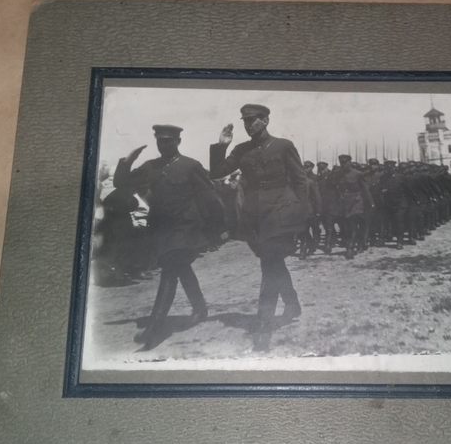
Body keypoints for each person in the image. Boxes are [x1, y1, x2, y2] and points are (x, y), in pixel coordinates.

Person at [113, 124, 225, 350]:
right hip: (162, 229)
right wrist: (127, 161)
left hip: (186, 227)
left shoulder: (190, 166)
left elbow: (211, 198)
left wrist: (220, 228)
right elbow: (120, 184)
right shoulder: (150, 167)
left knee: (170, 270)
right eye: (160, 141)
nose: (164, 145)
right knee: (180, 267)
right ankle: (200, 309)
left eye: (168, 141)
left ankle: (154, 328)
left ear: (178, 142)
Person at [209, 104, 308, 351]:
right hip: (254, 218)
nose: (248, 124)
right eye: (245, 121)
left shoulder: (283, 145)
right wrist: (221, 145)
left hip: (279, 215)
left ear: (265, 120)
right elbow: (217, 172)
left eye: (253, 120)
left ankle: (264, 325)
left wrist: (302, 216)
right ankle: (292, 303)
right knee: (273, 262)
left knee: (270, 264)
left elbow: (299, 180)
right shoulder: (242, 149)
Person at [338, 154, 372, 259]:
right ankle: (360, 243)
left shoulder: (358, 174)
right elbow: (338, 188)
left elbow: (365, 189)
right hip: (345, 202)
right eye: (341, 163)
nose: (343, 165)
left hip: (356, 202)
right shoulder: (339, 174)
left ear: (350, 162)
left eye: (345, 162)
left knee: (352, 225)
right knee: (348, 225)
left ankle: (350, 249)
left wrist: (370, 202)